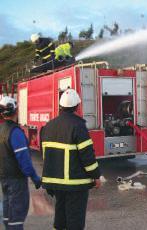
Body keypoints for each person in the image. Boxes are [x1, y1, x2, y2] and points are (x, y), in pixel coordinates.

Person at [40, 89, 102, 230]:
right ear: (77, 107)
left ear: (60, 106)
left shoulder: (48, 126)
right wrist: (96, 176)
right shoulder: (78, 126)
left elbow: (46, 155)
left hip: (55, 183)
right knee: (75, 219)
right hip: (75, 183)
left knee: (60, 215)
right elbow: (87, 155)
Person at [0, 96, 41, 230]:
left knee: (7, 215)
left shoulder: (1, 129)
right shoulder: (15, 132)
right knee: (16, 218)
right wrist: (35, 179)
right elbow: (24, 161)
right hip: (16, 181)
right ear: (16, 111)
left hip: (4, 179)